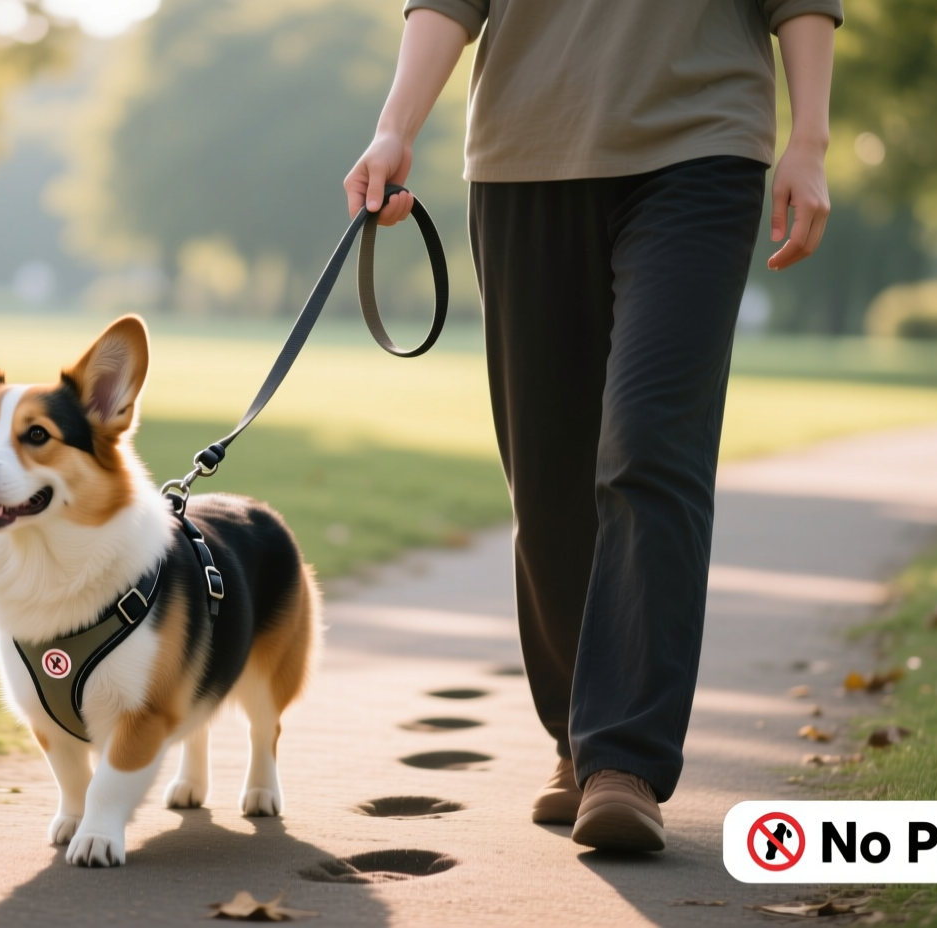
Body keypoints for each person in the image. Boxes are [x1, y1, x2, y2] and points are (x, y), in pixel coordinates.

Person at [345, 0, 841, 852]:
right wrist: (395, 127)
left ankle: (625, 760)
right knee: (549, 479)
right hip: (523, 154)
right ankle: (578, 736)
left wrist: (811, 138)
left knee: (651, 446)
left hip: (702, 143)